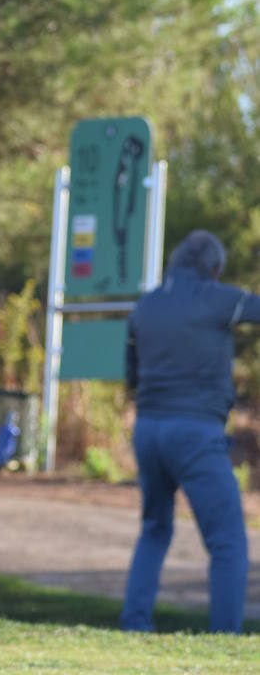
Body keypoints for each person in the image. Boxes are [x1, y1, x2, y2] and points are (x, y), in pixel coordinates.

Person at [122, 229, 260, 633]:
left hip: (148, 431)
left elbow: (131, 375)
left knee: (155, 529)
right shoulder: (221, 298)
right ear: (215, 268)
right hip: (196, 433)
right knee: (228, 542)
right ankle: (225, 637)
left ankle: (134, 626)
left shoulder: (144, 307)